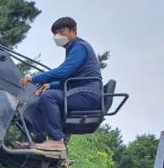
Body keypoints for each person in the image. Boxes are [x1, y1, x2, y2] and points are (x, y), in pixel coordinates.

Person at [19, 17, 102, 152]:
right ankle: (37, 139)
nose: (58, 36)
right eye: (55, 34)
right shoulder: (73, 48)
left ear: (73, 30)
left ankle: (57, 140)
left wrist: (33, 78)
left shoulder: (79, 47)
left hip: (87, 95)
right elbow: (70, 78)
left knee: (49, 97)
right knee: (43, 96)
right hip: (79, 91)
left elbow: (63, 72)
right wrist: (51, 85)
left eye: (62, 31)